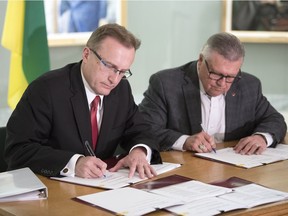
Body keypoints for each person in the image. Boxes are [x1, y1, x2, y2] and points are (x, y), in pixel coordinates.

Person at [4, 23, 161, 179]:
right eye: (109, 66)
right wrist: (74, 163)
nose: (114, 79)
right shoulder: (47, 89)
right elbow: (19, 151)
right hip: (54, 191)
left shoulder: (121, 89)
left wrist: (140, 151)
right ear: (86, 54)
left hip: (103, 187)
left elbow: (141, 130)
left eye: (122, 72)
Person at [139, 32, 287, 155]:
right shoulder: (165, 83)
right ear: (201, 60)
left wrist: (261, 137)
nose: (222, 84)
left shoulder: (249, 85)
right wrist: (184, 141)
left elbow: (275, 120)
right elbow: (144, 128)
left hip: (235, 169)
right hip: (185, 170)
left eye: (230, 77)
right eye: (216, 74)